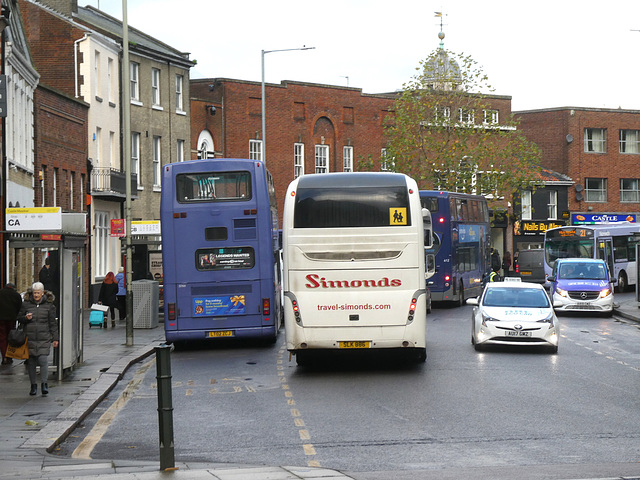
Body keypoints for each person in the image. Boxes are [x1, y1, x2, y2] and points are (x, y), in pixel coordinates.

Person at [18, 282, 58, 396]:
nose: (36, 295)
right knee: (31, 363)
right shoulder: (26, 304)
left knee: (43, 361)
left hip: (43, 338)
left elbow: (52, 323)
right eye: (34, 293)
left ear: (43, 293)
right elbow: (19, 318)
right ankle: (33, 386)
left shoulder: (49, 305)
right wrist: (26, 318)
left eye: (38, 293)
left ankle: (44, 384)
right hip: (29, 338)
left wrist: (55, 338)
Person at [0, 283, 23, 365]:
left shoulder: (1, 293)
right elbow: (20, 307)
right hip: (11, 319)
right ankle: (9, 356)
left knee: (2, 338)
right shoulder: (16, 295)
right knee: (11, 338)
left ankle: (4, 357)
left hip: (1, 319)